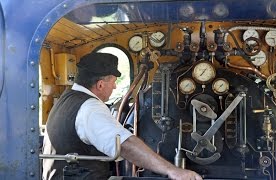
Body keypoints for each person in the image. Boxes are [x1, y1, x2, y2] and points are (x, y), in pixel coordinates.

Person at [42, 52, 202, 180]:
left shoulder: (67, 97)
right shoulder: (90, 108)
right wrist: (173, 171)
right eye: (113, 82)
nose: (115, 86)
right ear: (100, 84)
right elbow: (125, 145)